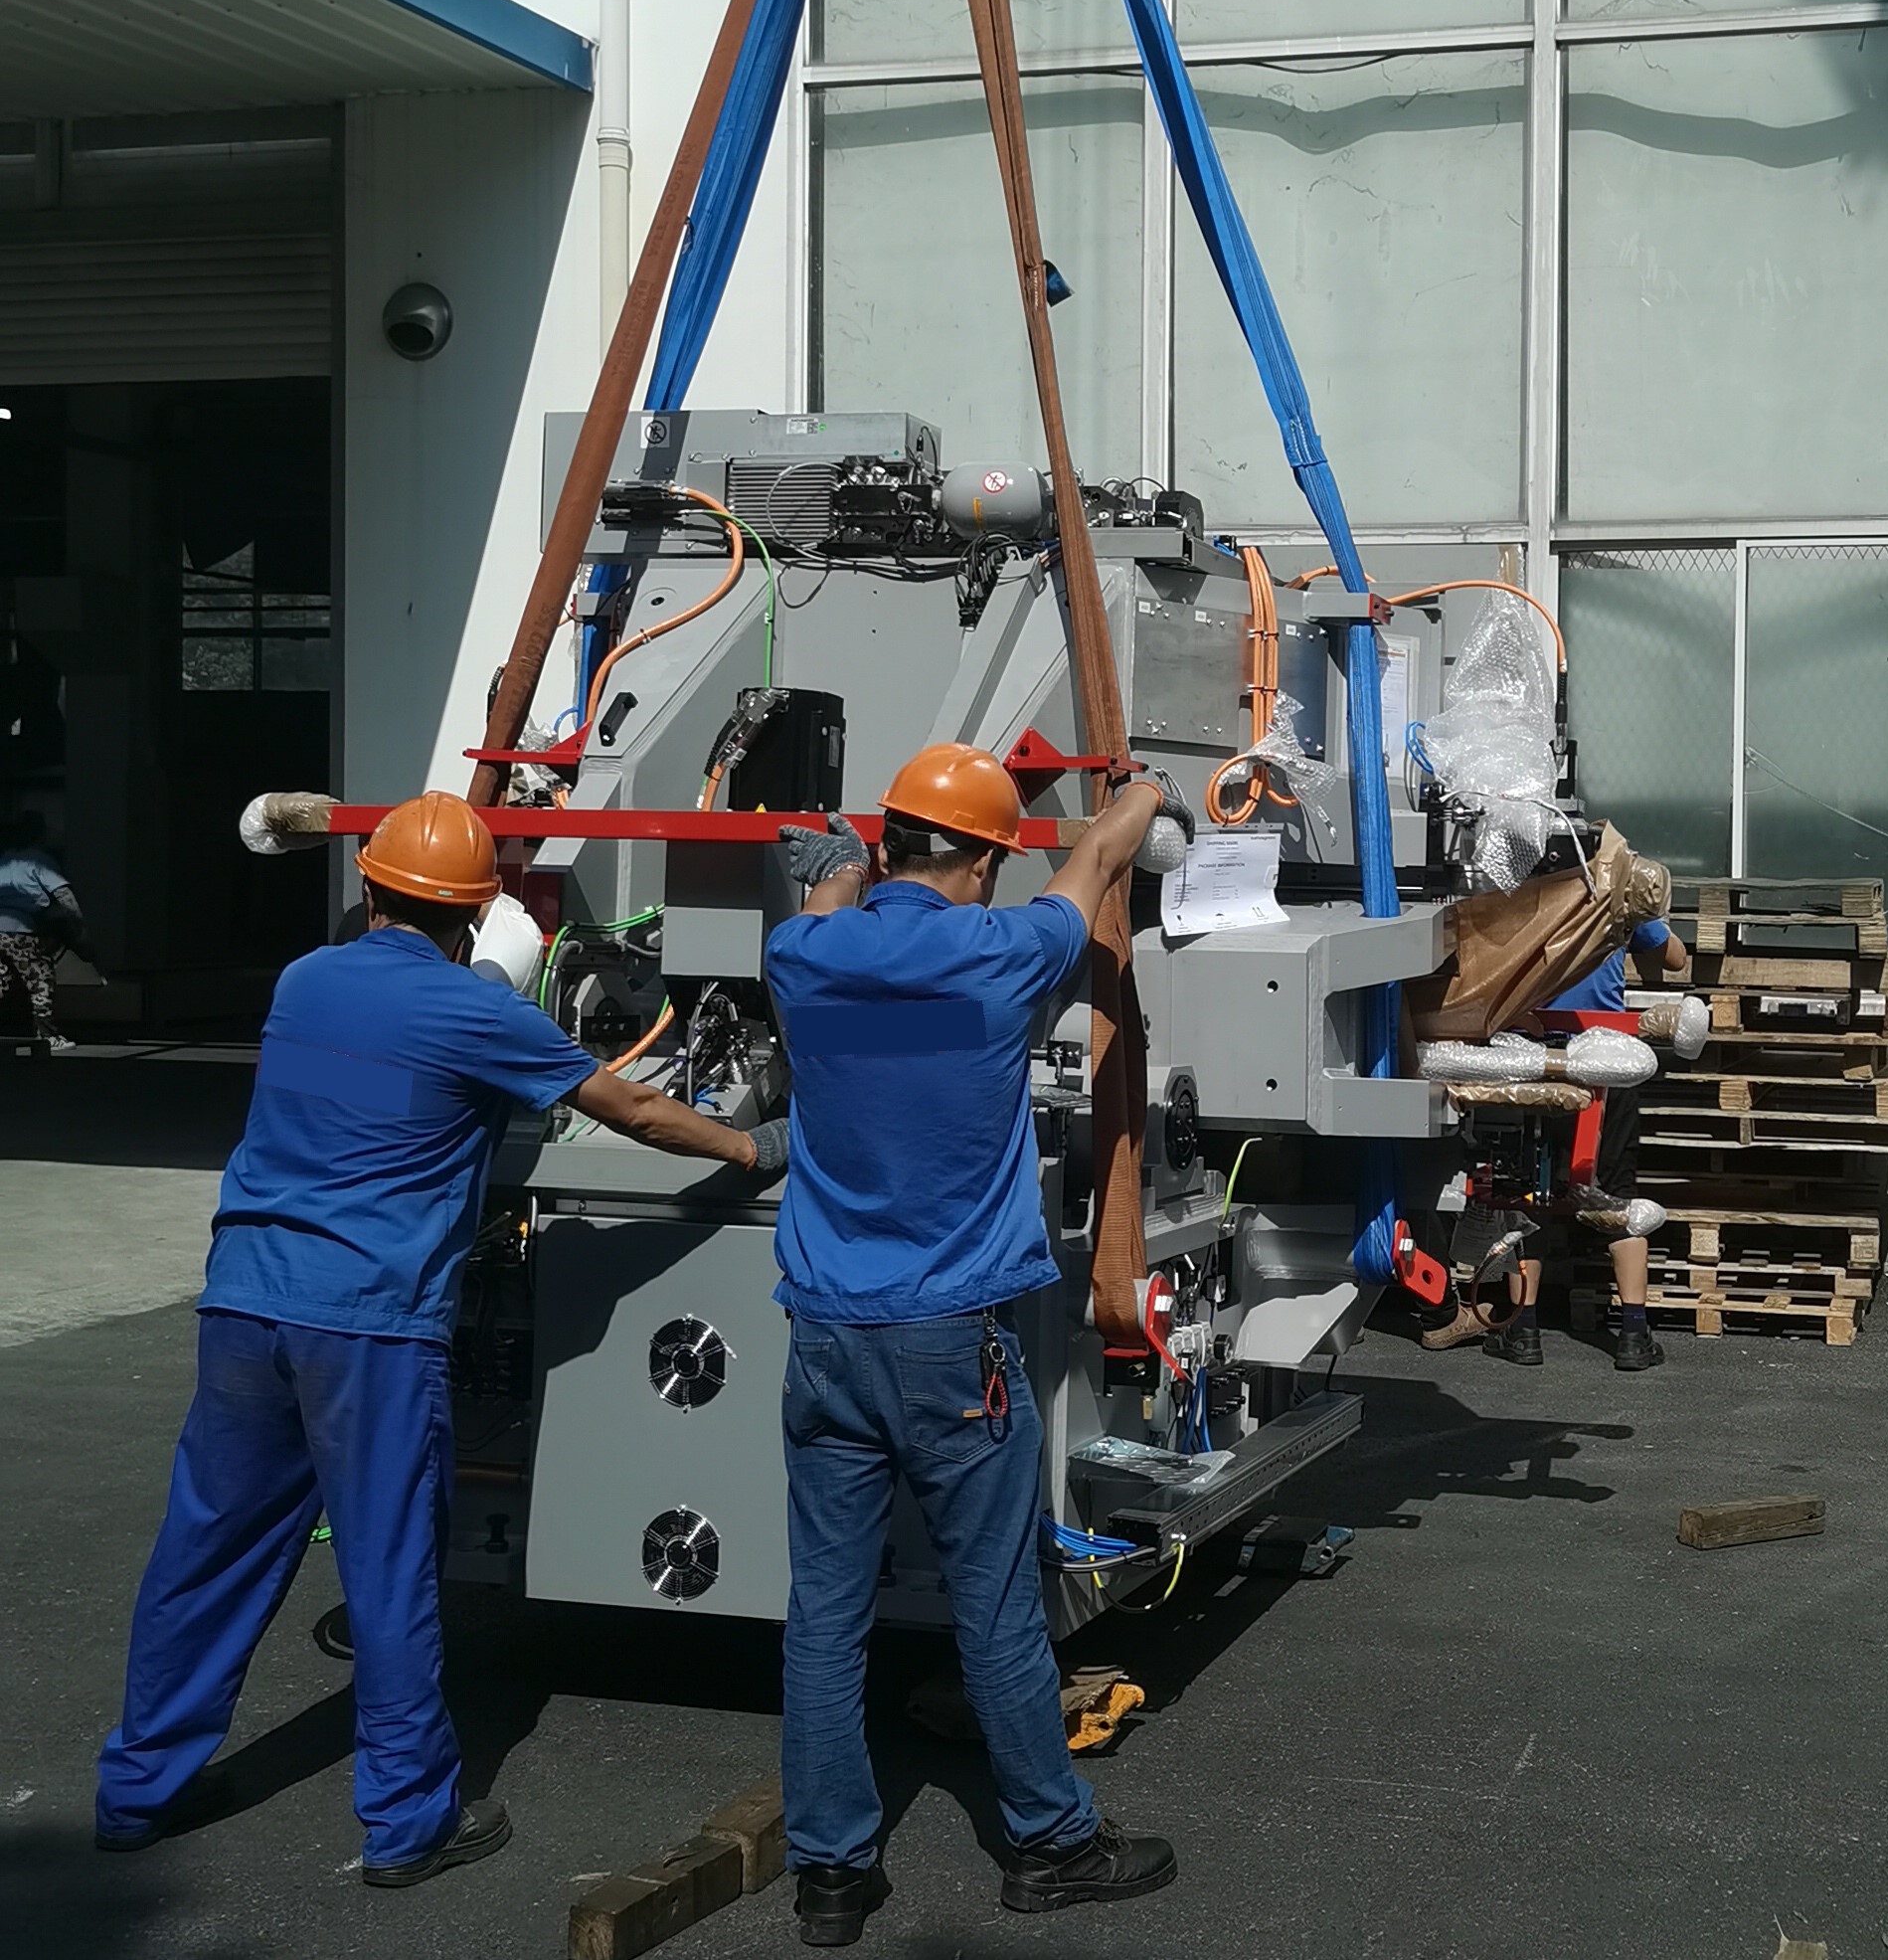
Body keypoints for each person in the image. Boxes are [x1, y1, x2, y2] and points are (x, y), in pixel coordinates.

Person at [95, 792, 783, 1885]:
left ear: (369, 888)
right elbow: (637, 1112)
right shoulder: (478, 1011)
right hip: (366, 1325)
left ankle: (140, 1788)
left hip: (245, 1303)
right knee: (388, 1568)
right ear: (473, 914)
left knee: (208, 1550)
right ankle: (409, 1819)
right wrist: (751, 1150)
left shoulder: (304, 980)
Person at [766, 742, 1180, 1948]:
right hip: (951, 1344)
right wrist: (1146, 791)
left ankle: (831, 1875)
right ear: (987, 863)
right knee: (994, 1607)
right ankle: (1052, 1843)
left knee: (825, 1616)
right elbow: (1097, 860)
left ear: (892, 841)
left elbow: (825, 899)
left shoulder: (802, 955)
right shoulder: (1002, 955)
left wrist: (839, 869)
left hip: (826, 1336)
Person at [1489, 913, 1693, 1375]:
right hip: (1608, 1058)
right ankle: (1634, 1334)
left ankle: (1523, 1330)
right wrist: (1646, 927)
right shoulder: (1621, 900)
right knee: (1619, 1193)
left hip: (1538, 1059)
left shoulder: (1526, 901)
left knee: (1529, 1193)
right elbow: (1676, 959)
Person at [0, 808, 90, 1053]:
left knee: (2, 978)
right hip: (20, 929)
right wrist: (79, 926)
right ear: (40, 835)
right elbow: (63, 894)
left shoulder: (4, 859)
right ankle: (47, 1035)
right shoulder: (39, 860)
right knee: (40, 977)